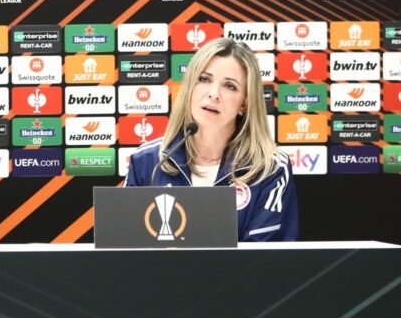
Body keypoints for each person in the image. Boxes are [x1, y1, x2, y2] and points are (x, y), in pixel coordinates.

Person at [125, 37, 298, 241]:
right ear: (190, 87)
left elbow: (265, 256)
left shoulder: (270, 167)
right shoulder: (147, 162)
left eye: (230, 86)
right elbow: (125, 247)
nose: (214, 94)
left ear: (244, 103)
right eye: (204, 79)